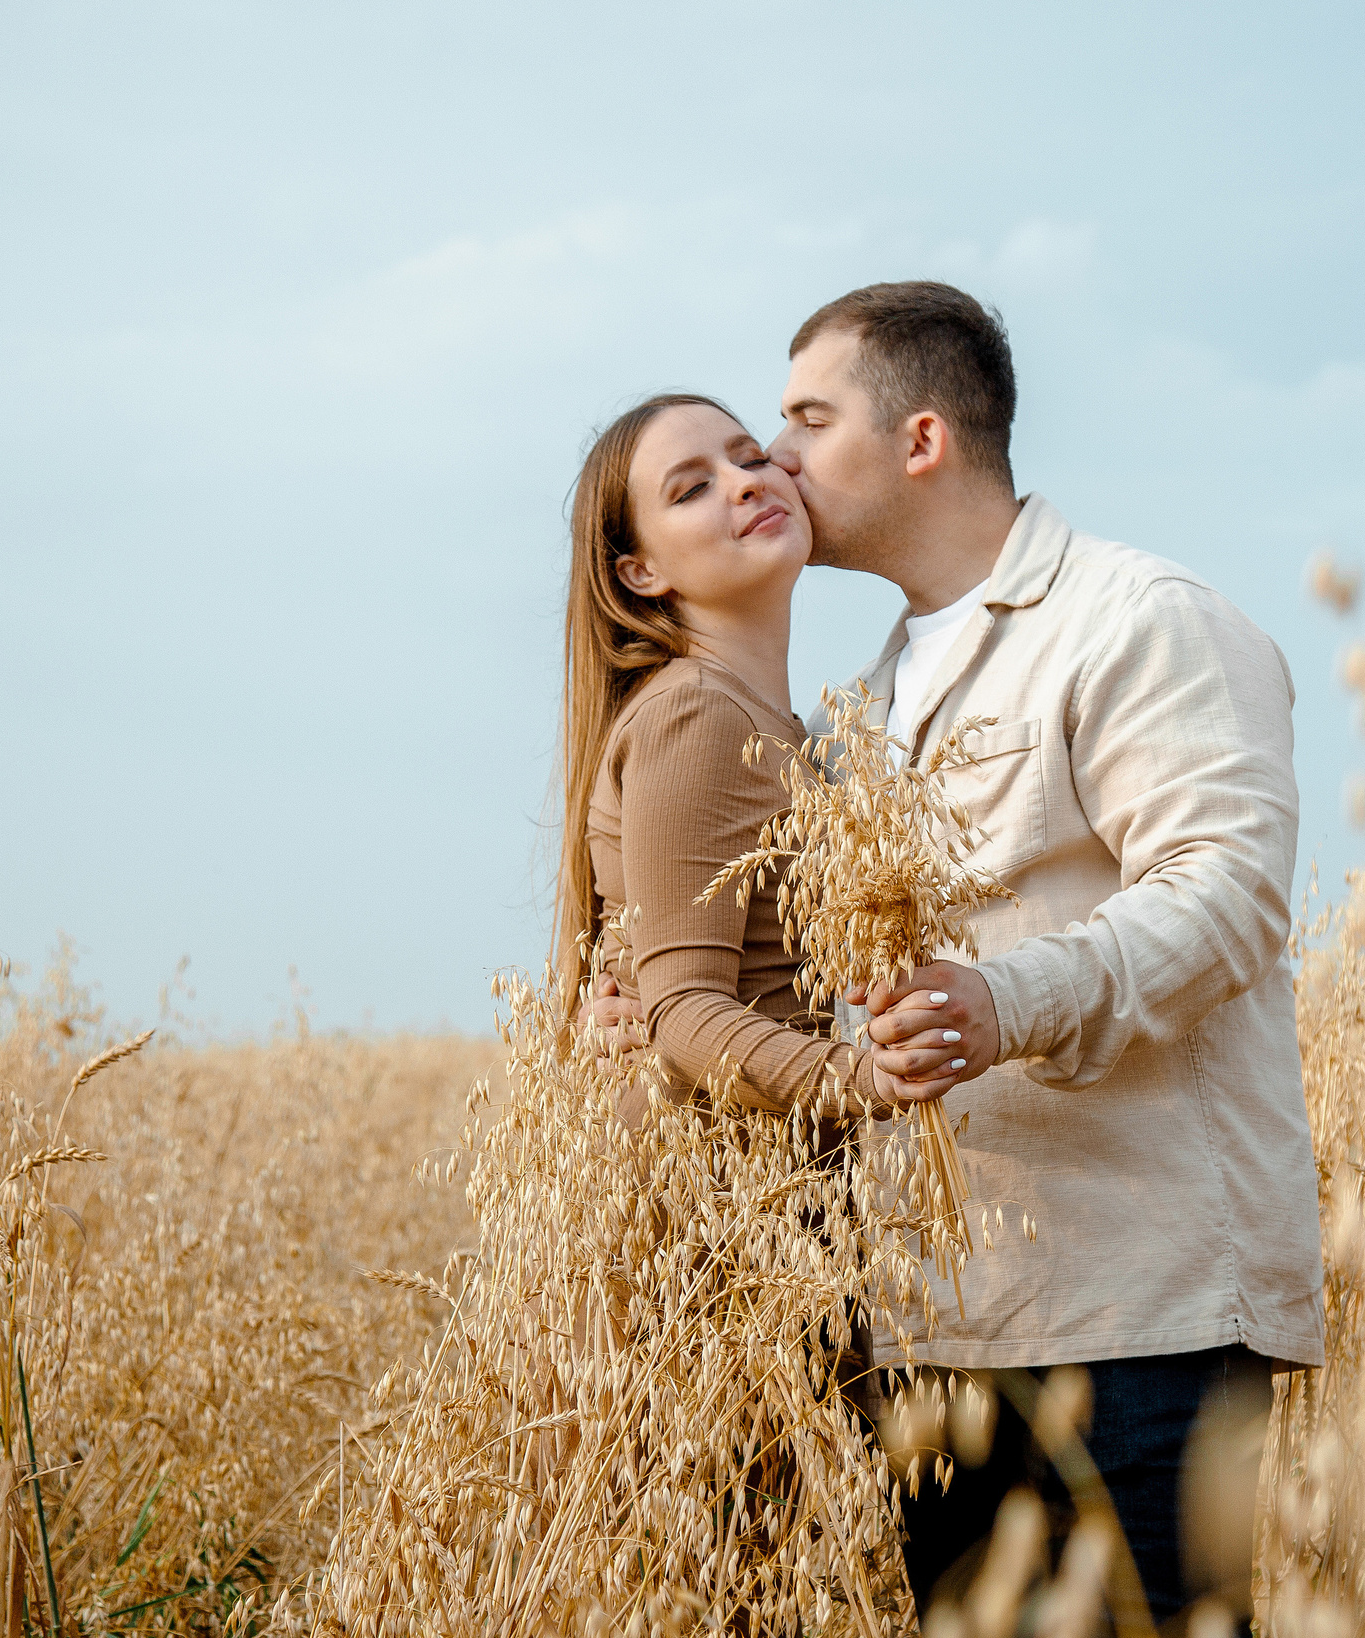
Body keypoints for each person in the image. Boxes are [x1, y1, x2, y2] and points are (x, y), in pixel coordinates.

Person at [588, 282, 1325, 1631]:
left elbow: (1227, 895)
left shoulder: (1139, 617)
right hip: (929, 1333)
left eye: (803, 421)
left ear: (919, 438)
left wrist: (1001, 1001)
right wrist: (644, 1012)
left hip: (1133, 1314)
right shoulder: (856, 713)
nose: (777, 459)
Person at [554, 390, 956, 1121]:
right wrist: (870, 1080)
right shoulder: (695, 716)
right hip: (719, 1183)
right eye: (691, 489)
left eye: (750, 457)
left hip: (775, 1175)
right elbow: (683, 1014)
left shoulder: (784, 728)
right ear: (641, 573)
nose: (744, 482)